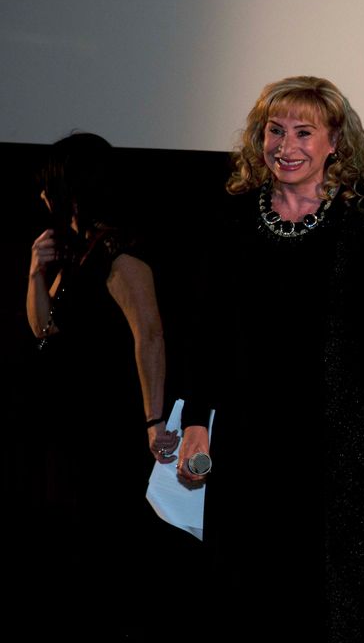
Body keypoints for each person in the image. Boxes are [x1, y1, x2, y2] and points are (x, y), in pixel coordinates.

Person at [176, 76, 364, 640]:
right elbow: (206, 328)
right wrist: (197, 421)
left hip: (340, 441)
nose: (286, 146)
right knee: (250, 587)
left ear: (335, 142)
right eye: (275, 131)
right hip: (251, 437)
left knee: (337, 597)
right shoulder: (232, 218)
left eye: (304, 132)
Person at [25, 132, 179, 639]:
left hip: (107, 424)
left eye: (49, 183)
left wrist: (153, 420)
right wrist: (35, 273)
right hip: (74, 424)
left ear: (71, 188)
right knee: (76, 540)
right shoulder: (76, 250)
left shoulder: (116, 249)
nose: (41, 193)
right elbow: (43, 329)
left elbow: (149, 333)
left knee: (107, 542)